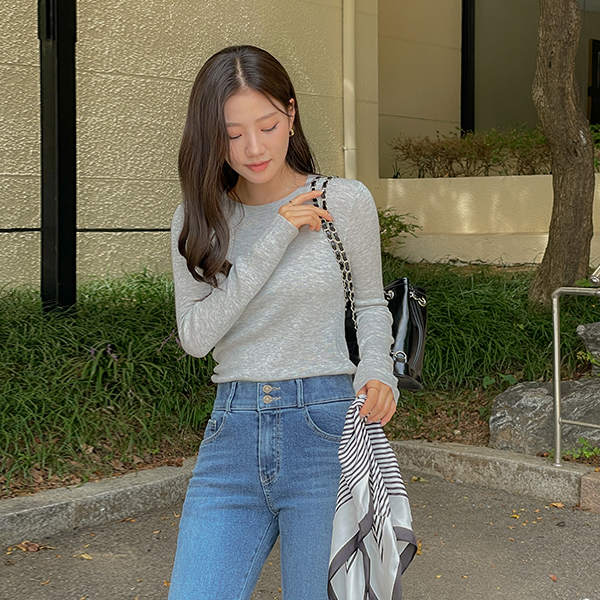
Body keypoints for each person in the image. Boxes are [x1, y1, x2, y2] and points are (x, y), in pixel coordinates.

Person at [168, 44, 400, 600]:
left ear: (291, 114)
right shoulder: (199, 219)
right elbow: (196, 337)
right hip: (231, 437)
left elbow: (371, 305)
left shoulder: (344, 201)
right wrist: (277, 234)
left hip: (326, 431)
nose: (253, 148)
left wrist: (378, 370)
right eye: (232, 134)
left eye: (268, 126)